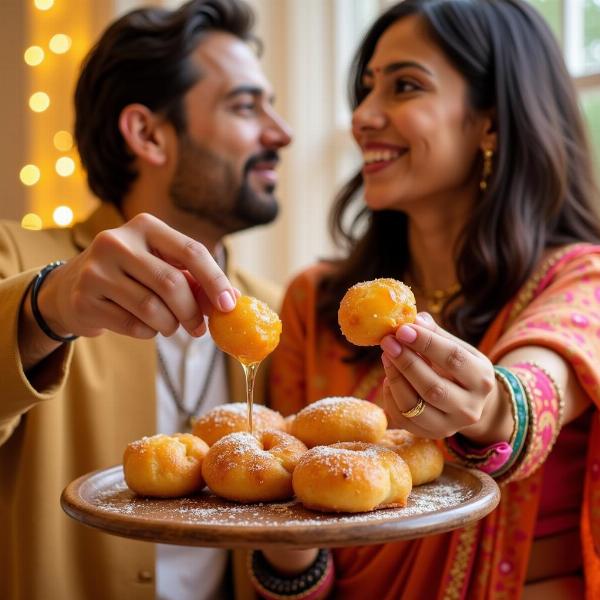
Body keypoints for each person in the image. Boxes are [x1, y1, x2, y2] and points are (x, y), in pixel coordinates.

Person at [252, 1, 600, 599]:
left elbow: (539, 387)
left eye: (405, 86)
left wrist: (489, 407)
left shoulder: (580, 281)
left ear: (490, 120)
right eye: (365, 91)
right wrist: (285, 540)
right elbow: (300, 559)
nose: (362, 116)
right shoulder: (314, 303)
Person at [0, 1, 291, 599]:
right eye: (244, 105)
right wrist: (45, 307)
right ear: (148, 133)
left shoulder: (282, 310)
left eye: (271, 105)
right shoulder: (18, 258)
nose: (280, 132)